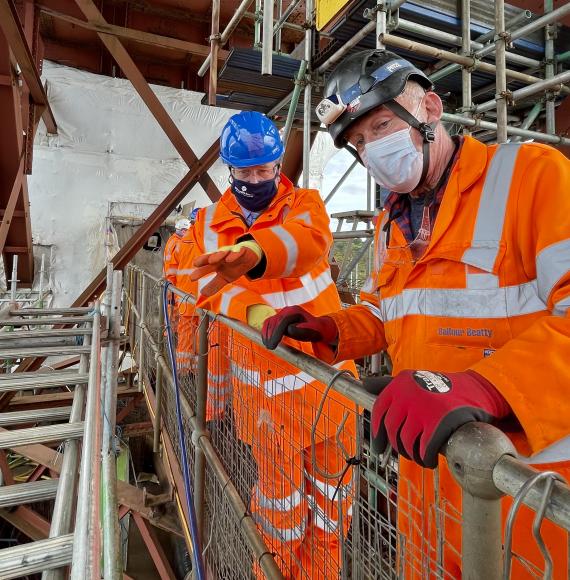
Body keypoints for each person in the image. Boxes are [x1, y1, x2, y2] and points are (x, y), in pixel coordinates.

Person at [262, 49, 570, 578]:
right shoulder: (391, 224)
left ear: (428, 108)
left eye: (380, 125)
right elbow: (391, 313)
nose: (371, 149)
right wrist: (333, 330)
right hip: (429, 480)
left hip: (525, 490)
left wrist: (489, 385)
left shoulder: (531, 177)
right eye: (358, 143)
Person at [183, 111, 358, 579]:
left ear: (279, 165)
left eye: (266, 170)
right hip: (265, 403)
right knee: (279, 511)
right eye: (246, 172)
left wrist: (255, 254)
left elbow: (308, 242)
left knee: (330, 511)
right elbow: (210, 290)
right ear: (229, 170)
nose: (257, 180)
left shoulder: (305, 205)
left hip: (327, 394)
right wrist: (257, 313)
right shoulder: (208, 224)